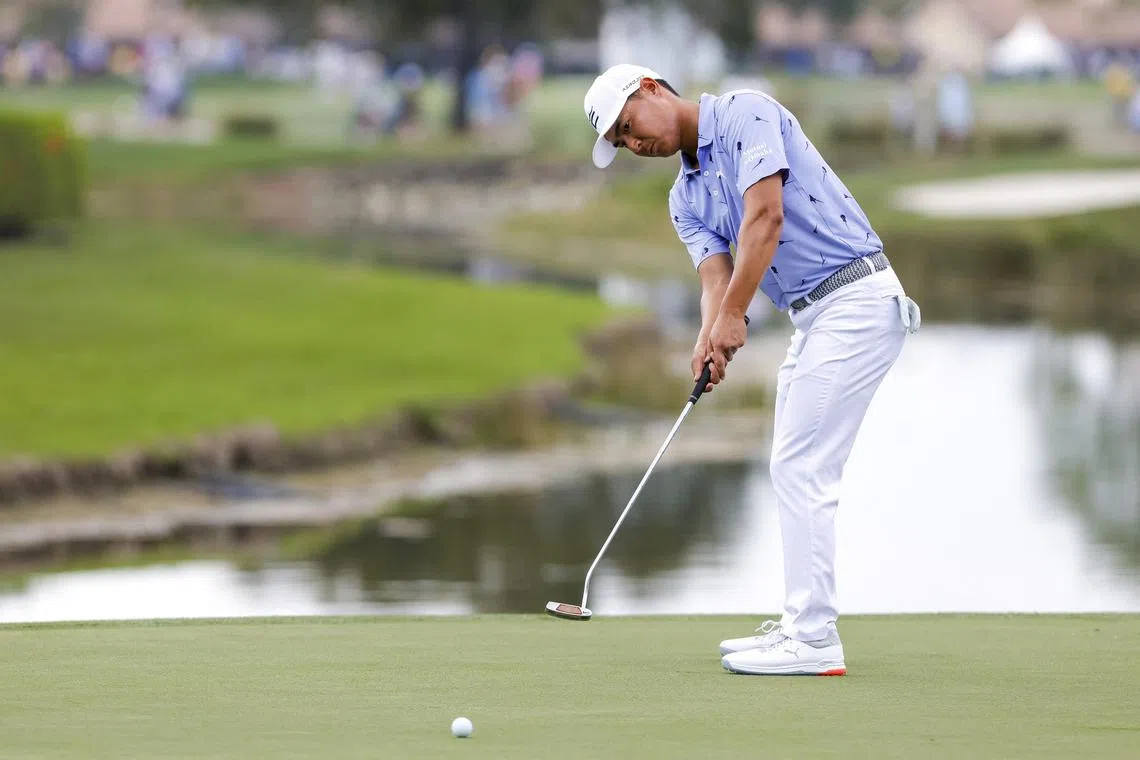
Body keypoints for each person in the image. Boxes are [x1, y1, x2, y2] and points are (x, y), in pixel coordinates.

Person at [582, 64, 921, 676]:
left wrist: (736, 316)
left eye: (629, 126)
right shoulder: (683, 196)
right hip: (814, 318)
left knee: (802, 465)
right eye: (623, 143)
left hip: (858, 299)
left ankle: (814, 638)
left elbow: (765, 218)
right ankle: (801, 625)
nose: (636, 144)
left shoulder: (746, 113)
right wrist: (710, 335)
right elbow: (714, 277)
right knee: (791, 464)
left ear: (653, 88)